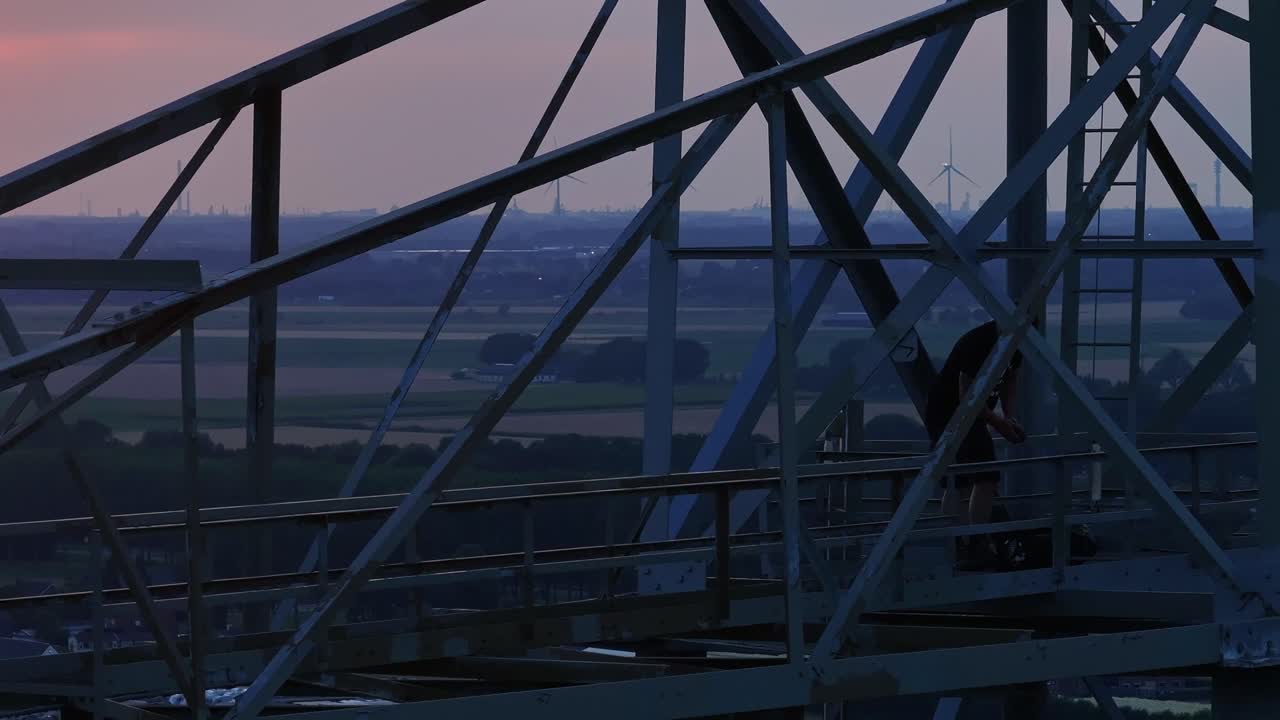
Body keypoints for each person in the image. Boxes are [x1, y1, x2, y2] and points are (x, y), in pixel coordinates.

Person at [924, 318, 1033, 564]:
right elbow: (967, 397)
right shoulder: (978, 342)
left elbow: (1010, 379)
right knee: (980, 476)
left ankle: (964, 542)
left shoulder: (1014, 339)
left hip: (968, 412)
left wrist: (1009, 416)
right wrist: (1001, 423)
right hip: (950, 412)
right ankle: (972, 541)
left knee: (963, 477)